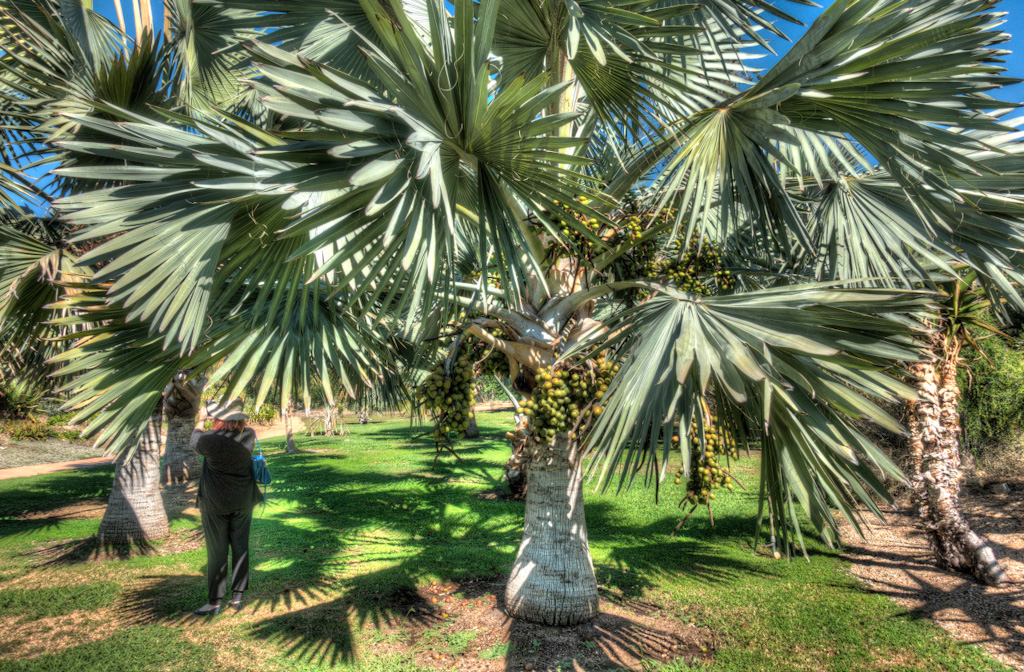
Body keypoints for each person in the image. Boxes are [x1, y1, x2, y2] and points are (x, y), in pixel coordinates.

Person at [190, 398, 263, 616]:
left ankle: (215, 603)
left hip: (215, 504)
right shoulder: (248, 435)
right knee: (241, 547)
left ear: (218, 418)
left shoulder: (209, 439)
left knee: (217, 551)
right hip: (243, 500)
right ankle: (237, 598)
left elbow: (195, 442)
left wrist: (201, 421)